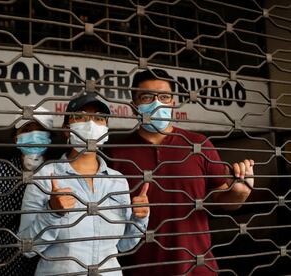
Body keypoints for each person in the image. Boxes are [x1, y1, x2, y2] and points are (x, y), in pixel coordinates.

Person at [106, 69, 255, 275]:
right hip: (141, 269)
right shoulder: (116, 153)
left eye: (164, 97)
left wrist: (241, 191)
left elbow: (225, 200)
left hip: (198, 269)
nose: (157, 103)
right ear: (134, 106)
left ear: (173, 103)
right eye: (147, 97)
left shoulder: (198, 144)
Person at [18, 94, 150, 275]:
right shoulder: (45, 177)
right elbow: (27, 249)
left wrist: (140, 219)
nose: (91, 124)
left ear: (106, 130)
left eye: (99, 118)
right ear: (67, 129)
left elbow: (124, 245)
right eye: (80, 117)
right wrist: (52, 212)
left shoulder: (117, 181)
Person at [0, 106, 53, 276]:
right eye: (27, 130)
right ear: (16, 137)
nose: (34, 135)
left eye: (40, 130)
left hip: (48, 257)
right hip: (7, 257)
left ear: (49, 137)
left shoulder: (58, 171)